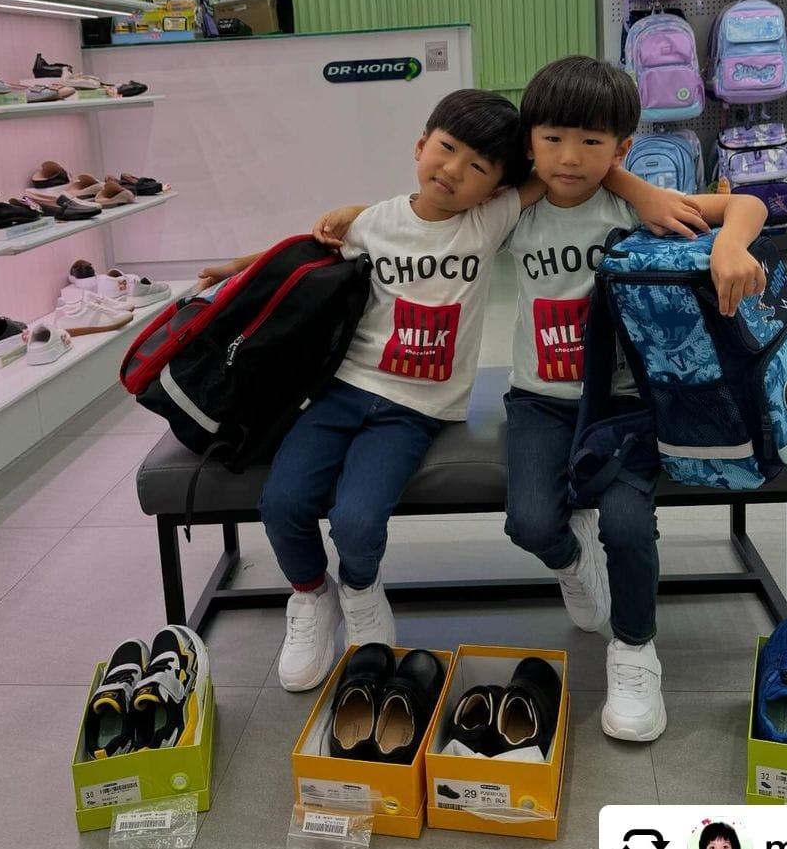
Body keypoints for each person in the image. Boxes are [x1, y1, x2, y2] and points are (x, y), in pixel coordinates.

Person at [199, 89, 543, 691]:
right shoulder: (372, 222)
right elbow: (304, 257)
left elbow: (561, 174)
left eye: (478, 166)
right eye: (446, 148)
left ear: (495, 188)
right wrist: (238, 268)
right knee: (282, 503)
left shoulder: (487, 222)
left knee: (357, 521)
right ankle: (311, 595)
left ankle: (360, 590)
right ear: (421, 144)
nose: (453, 169)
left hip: (415, 410)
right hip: (343, 390)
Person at [502, 56, 768, 744]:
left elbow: (748, 205)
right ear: (530, 141)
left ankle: (634, 651)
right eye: (553, 138)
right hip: (540, 400)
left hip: (627, 403)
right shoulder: (516, 211)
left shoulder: (637, 205)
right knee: (529, 523)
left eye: (591, 142)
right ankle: (573, 562)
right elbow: (435, 208)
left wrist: (729, 246)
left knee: (624, 523)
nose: (569, 157)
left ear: (620, 148)